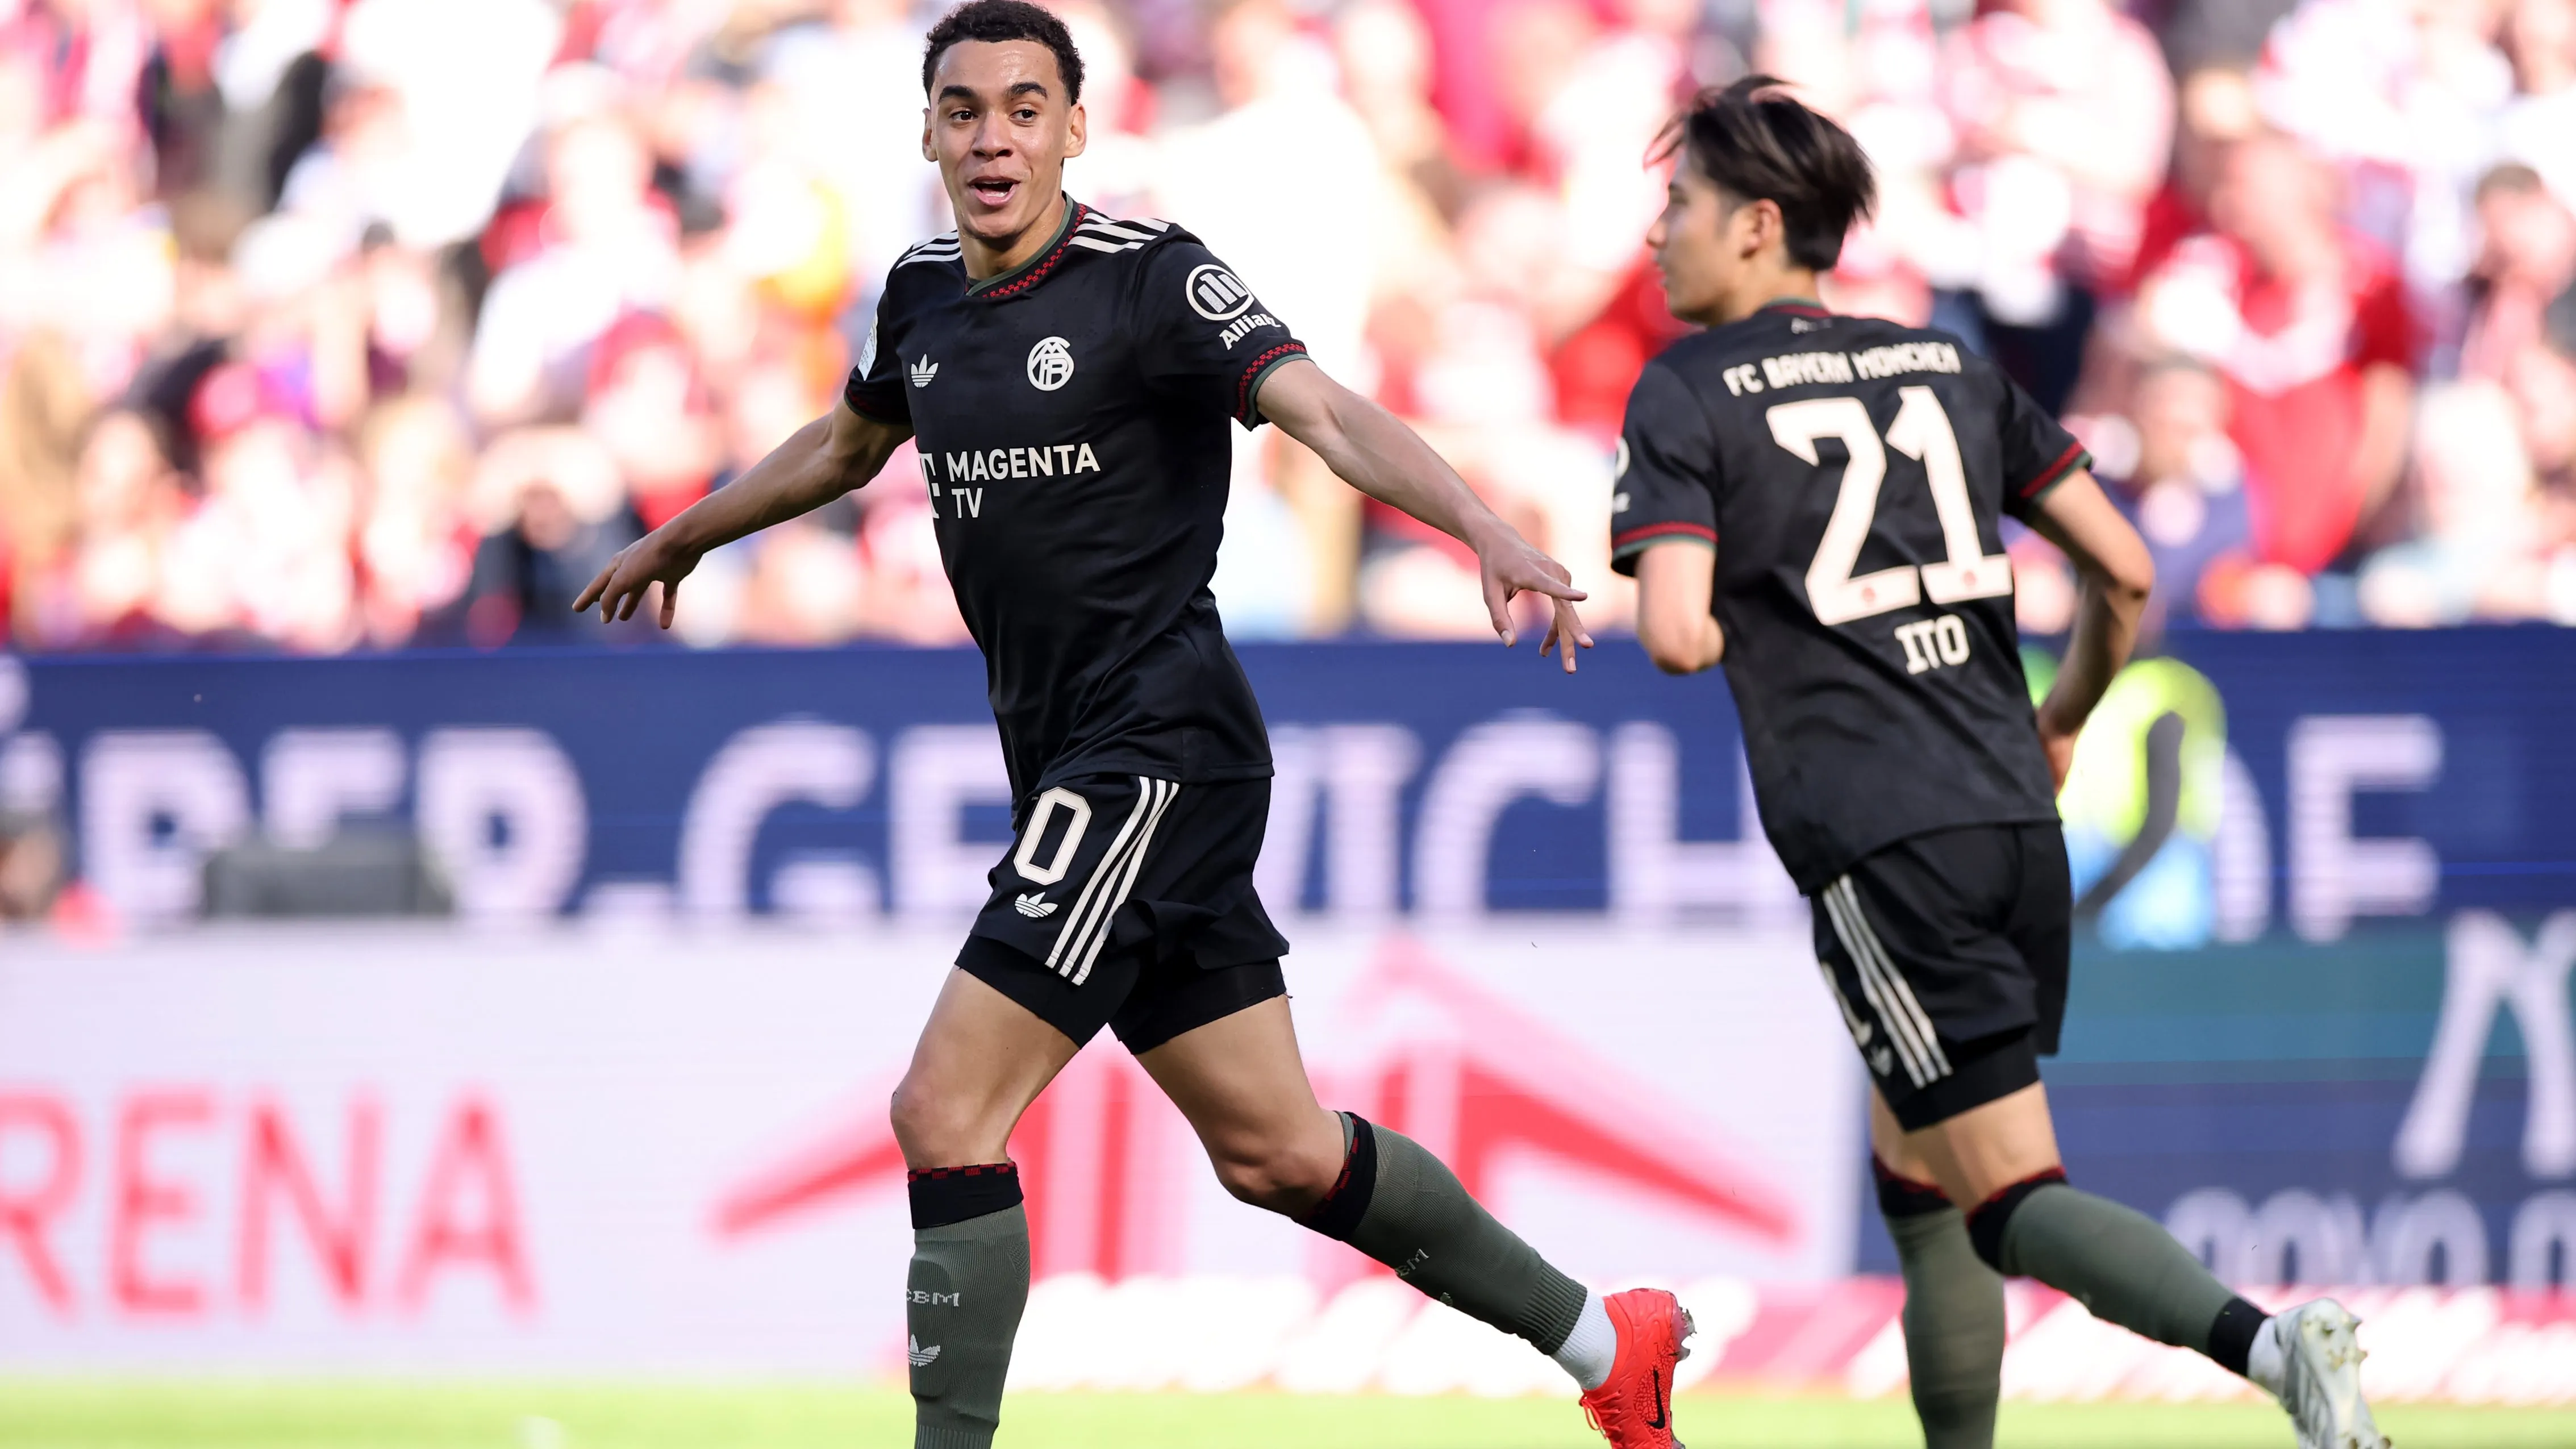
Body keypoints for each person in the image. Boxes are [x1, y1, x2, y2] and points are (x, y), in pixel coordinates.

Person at [575, 6, 1691, 1447]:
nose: (993, 138)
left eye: (1025, 109)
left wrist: (1480, 523)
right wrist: (689, 536)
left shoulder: (1150, 281)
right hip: (1079, 761)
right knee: (1279, 1153)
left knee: (943, 1113)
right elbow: (845, 446)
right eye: (964, 110)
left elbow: (1325, 415)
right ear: (925, 133)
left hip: (1156, 749)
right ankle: (1612, 1343)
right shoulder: (917, 296)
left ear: (1073, 132)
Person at [1611, 77, 2387, 1449]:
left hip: (1877, 832)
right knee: (1916, 1174)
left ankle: (2272, 1351)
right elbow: (2126, 567)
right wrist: (2070, 713)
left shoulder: (1686, 390)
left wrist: (1716, 581)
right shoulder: (1948, 367)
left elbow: (1675, 636)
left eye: (1677, 204)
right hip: (2012, 817)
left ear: (1756, 226)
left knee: (2004, 1194)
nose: (1656, 232)